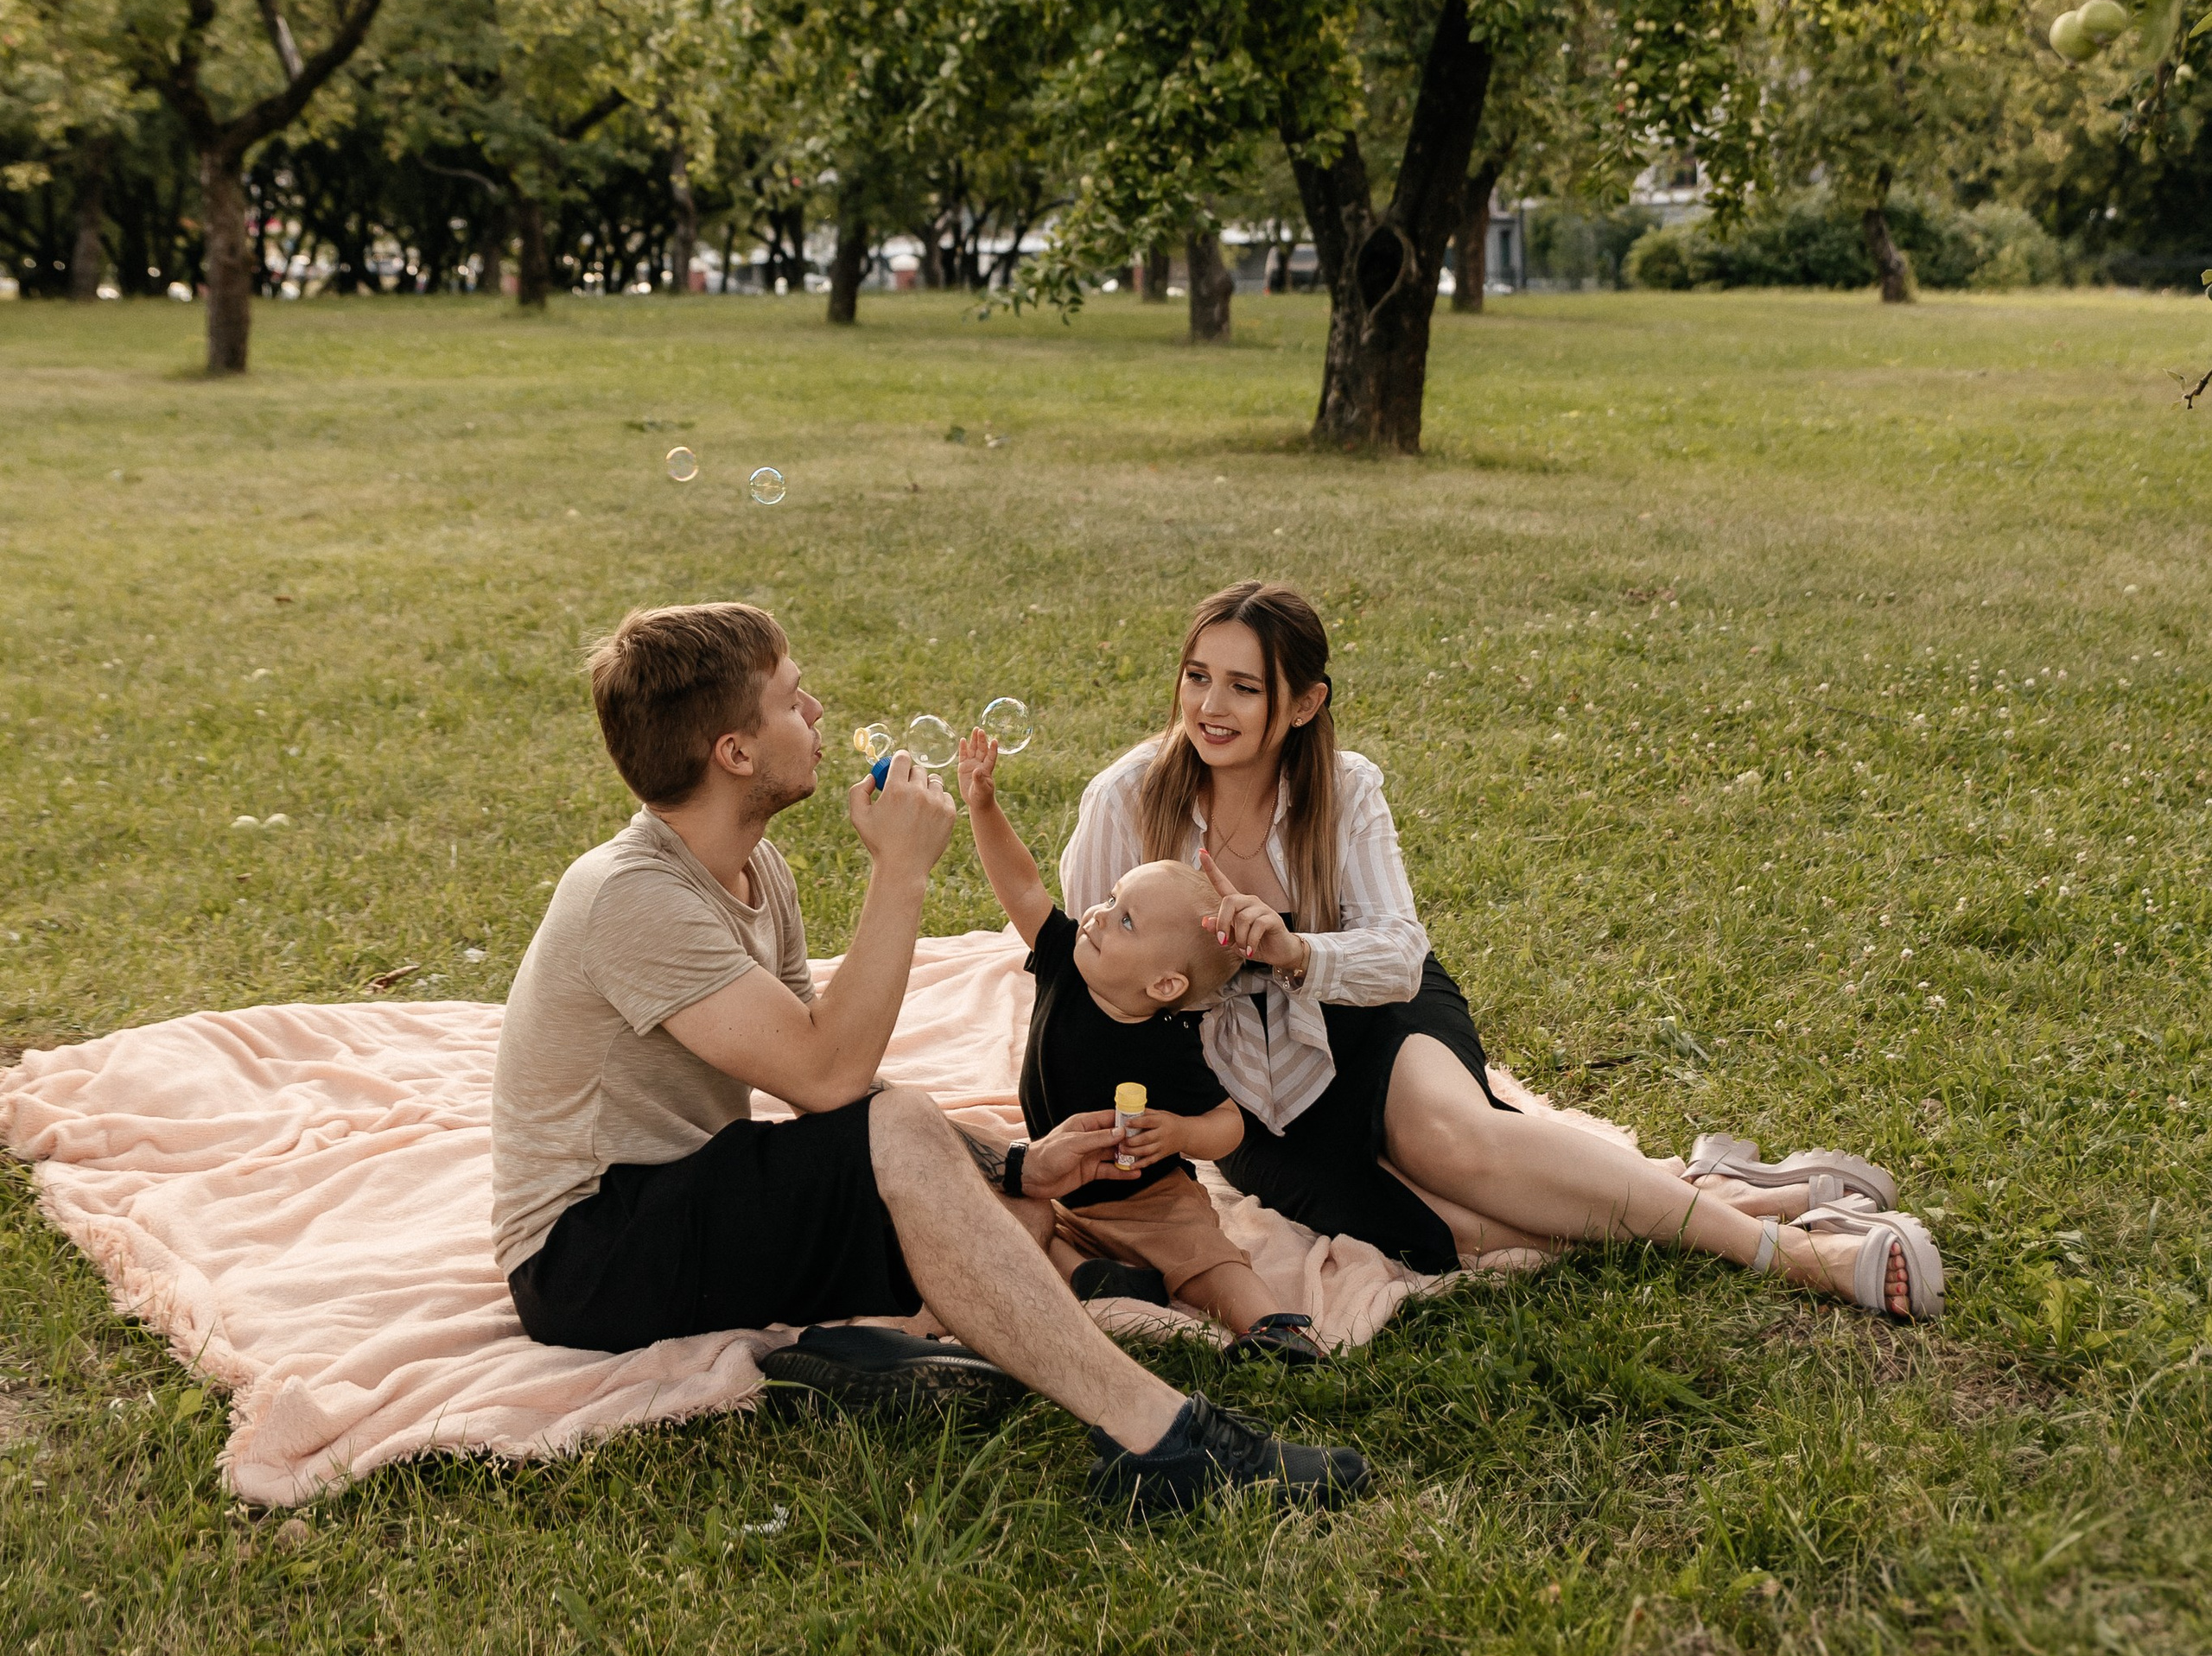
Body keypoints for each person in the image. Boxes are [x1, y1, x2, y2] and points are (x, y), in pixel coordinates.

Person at [490, 599, 1371, 1512]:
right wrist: (901, 870)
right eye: (792, 699)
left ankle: (861, 1355)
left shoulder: (758, 871)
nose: (818, 711)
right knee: (910, 1130)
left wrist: (1016, 1164)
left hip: (698, 1193)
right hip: (588, 1253)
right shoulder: (632, 896)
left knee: (989, 1197)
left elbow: (828, 1100)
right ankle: (1159, 1436)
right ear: (735, 753)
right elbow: (828, 1073)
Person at [1058, 582, 1942, 1323]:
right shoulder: (1126, 800)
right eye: (1197, 677)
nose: (1210, 708)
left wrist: (1296, 951)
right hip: (1244, 1078)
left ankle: (1791, 1253)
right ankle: (1715, 1191)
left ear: (1303, 704)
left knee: (1455, 1147)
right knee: (1457, 1229)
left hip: (1367, 1012)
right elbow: (1084, 961)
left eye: (1244, 687)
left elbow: (1398, 956)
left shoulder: (1344, 789)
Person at [956, 724, 1320, 1362]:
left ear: (1165, 984)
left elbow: (1228, 1124)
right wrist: (982, 805)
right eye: (1111, 898)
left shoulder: (1169, 1042)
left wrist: (1180, 1133)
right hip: (1059, 1182)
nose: (1097, 914)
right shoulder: (1065, 961)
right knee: (1011, 1222)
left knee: (1205, 1255)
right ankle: (1093, 1277)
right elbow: (1022, 885)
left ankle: (1273, 1328)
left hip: (1153, 1200)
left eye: (1124, 919)